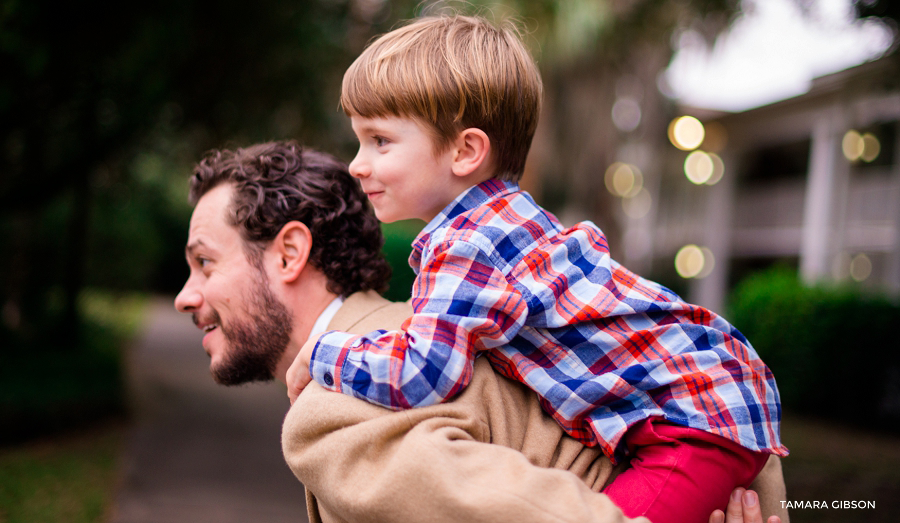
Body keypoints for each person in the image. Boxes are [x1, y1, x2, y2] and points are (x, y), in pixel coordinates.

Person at [287, 14, 788, 523]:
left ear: (465, 151)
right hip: (710, 395)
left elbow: (424, 372)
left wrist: (326, 354)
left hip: (694, 425)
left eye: (380, 141)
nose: (357, 162)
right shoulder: (509, 218)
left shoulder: (465, 245)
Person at [174, 141, 788, 523]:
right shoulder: (468, 325)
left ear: (288, 255)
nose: (185, 296)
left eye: (205, 262)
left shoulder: (340, 400)